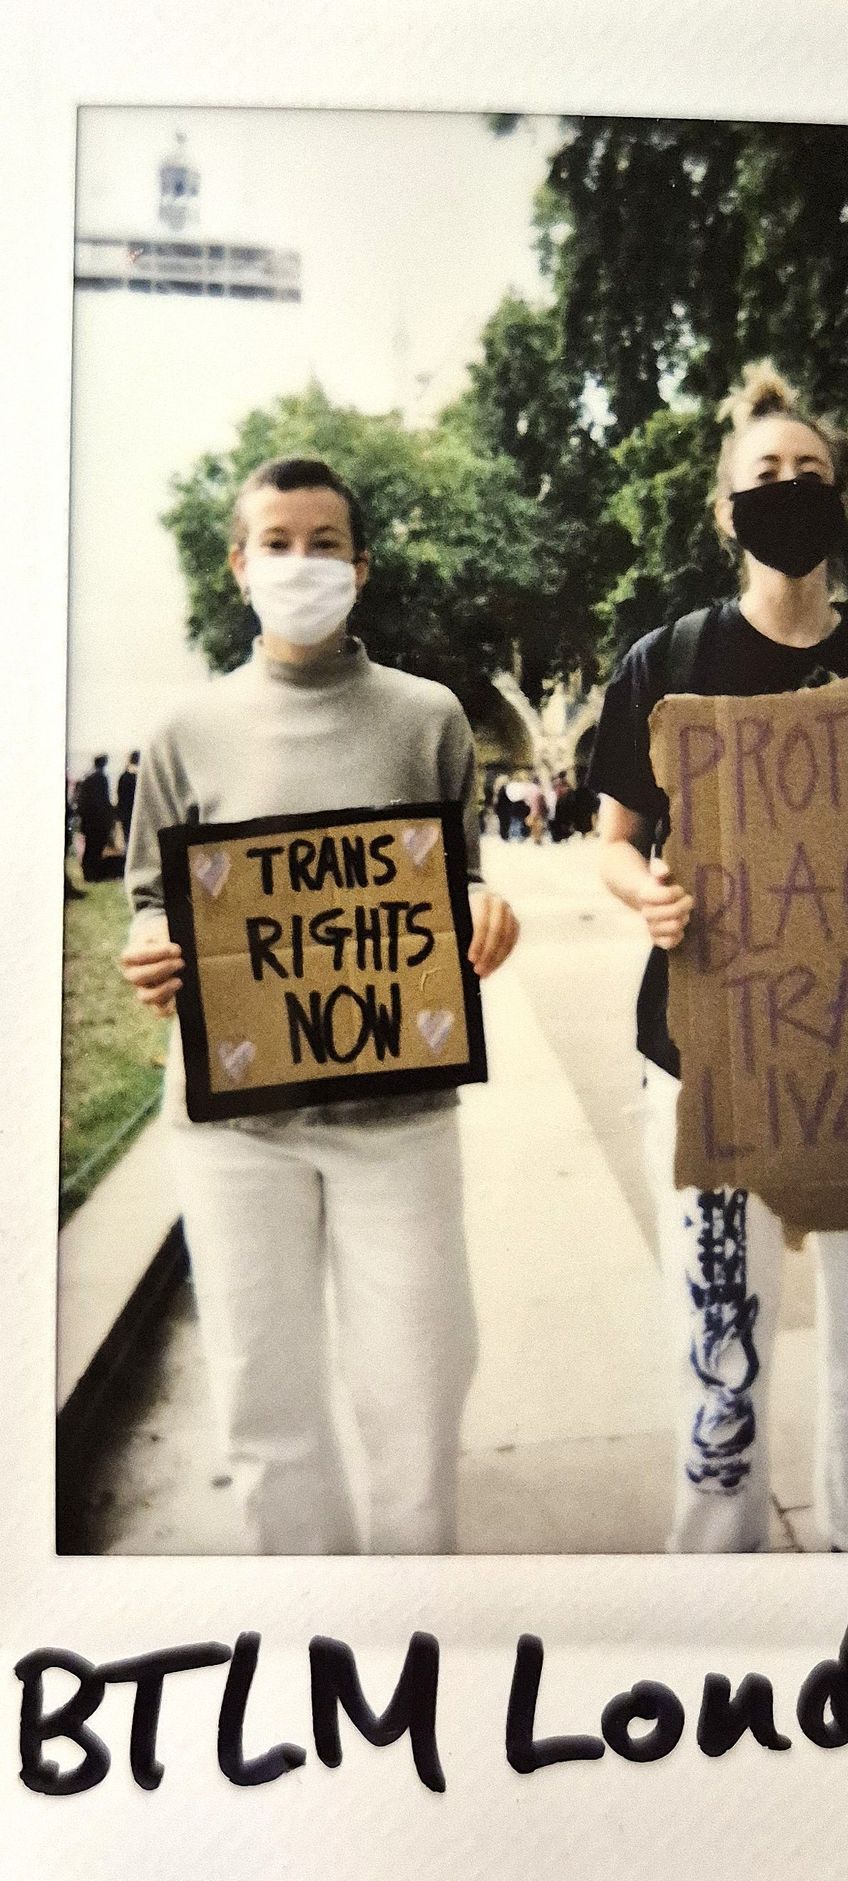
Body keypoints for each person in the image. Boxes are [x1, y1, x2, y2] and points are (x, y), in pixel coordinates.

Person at [588, 363, 848, 1553]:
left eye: (810, 472)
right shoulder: (666, 661)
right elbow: (612, 841)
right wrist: (647, 893)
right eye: (765, 473)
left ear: (840, 498)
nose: (788, 488)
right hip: (712, 1057)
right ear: (727, 509)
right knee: (718, 1369)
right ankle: (720, 1597)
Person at [119, 456, 519, 1555]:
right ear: (239, 565)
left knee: (421, 1390)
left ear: (361, 566)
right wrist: (151, 945)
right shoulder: (183, 731)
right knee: (266, 1401)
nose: (302, 563)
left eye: (325, 543)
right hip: (235, 1129)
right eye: (278, 543)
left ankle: (415, 1608)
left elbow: (453, 874)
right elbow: (152, 895)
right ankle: (309, 1611)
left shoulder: (428, 717)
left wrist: (481, 912)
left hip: (401, 1118)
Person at [74, 754, 114, 882]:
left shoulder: (87, 777)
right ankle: (93, 873)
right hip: (98, 820)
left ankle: (88, 872)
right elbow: (104, 800)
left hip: (88, 820)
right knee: (96, 847)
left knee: (90, 847)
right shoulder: (101, 778)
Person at [115, 750, 140, 848]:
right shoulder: (139, 776)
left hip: (125, 812)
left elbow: (120, 795)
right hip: (136, 812)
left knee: (127, 838)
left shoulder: (124, 776)